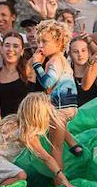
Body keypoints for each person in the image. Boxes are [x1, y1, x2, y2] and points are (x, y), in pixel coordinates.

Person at [0, 92, 75, 187]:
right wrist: (62, 178)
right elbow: (47, 158)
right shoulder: (28, 134)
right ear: (39, 116)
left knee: (13, 174)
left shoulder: (14, 120)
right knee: (21, 176)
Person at [29, 20, 82, 155]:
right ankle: (73, 144)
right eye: (39, 41)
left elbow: (47, 83)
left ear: (59, 43)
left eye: (44, 42)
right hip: (69, 106)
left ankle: (58, 176)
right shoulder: (62, 59)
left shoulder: (54, 61)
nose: (40, 46)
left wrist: (36, 65)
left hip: (60, 109)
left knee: (56, 148)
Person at [0, 33, 41, 116]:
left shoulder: (28, 69)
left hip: (26, 124)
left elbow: (43, 49)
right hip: (5, 125)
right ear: (1, 49)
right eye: (7, 45)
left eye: (15, 46)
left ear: (22, 51)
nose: (10, 49)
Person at [70, 34, 97, 106]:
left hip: (92, 113)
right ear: (70, 54)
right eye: (75, 51)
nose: (80, 54)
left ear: (89, 53)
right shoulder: (67, 70)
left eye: (83, 51)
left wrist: (89, 40)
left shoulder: (94, 67)